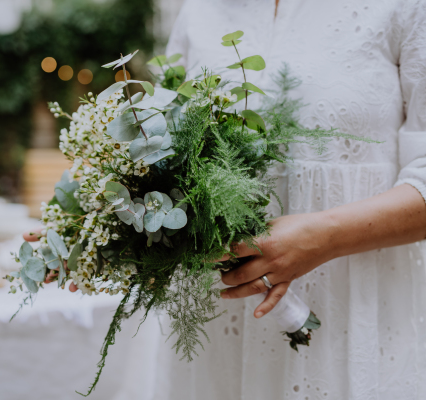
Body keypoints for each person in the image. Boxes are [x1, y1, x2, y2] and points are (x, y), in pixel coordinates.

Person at [24, 0, 426, 397]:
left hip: (355, 311)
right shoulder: (200, 11)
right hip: (212, 326)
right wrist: (89, 229)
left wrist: (323, 237)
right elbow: (162, 157)